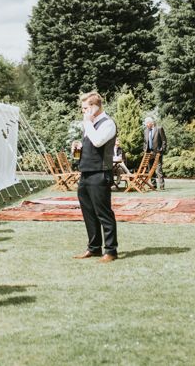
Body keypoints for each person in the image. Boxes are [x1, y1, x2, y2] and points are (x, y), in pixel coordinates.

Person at [73, 91, 118, 263]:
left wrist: (87, 123)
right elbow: (91, 145)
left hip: (100, 173)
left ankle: (111, 251)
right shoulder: (90, 123)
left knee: (104, 213)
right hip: (86, 172)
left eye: (85, 108)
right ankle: (94, 248)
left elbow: (98, 141)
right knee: (88, 213)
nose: (83, 111)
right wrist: (79, 148)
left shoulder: (108, 123)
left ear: (94, 107)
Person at [143, 116, 167, 190]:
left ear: (151, 123)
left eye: (147, 123)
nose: (146, 125)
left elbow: (164, 140)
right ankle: (153, 185)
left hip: (157, 152)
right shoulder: (145, 131)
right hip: (149, 153)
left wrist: (162, 149)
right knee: (151, 170)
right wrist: (144, 150)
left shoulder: (159, 129)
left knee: (158, 169)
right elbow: (145, 142)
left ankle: (162, 186)